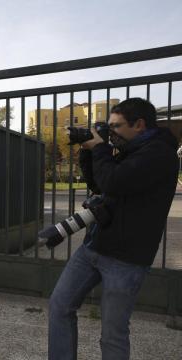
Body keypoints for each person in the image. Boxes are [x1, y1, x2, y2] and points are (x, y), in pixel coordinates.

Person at [48, 98, 179, 359]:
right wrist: (88, 150)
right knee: (59, 306)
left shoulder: (159, 154)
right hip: (94, 247)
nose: (111, 132)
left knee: (112, 332)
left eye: (116, 126)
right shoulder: (131, 149)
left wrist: (100, 149)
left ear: (139, 124)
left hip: (126, 258)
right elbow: (100, 185)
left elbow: (114, 182)